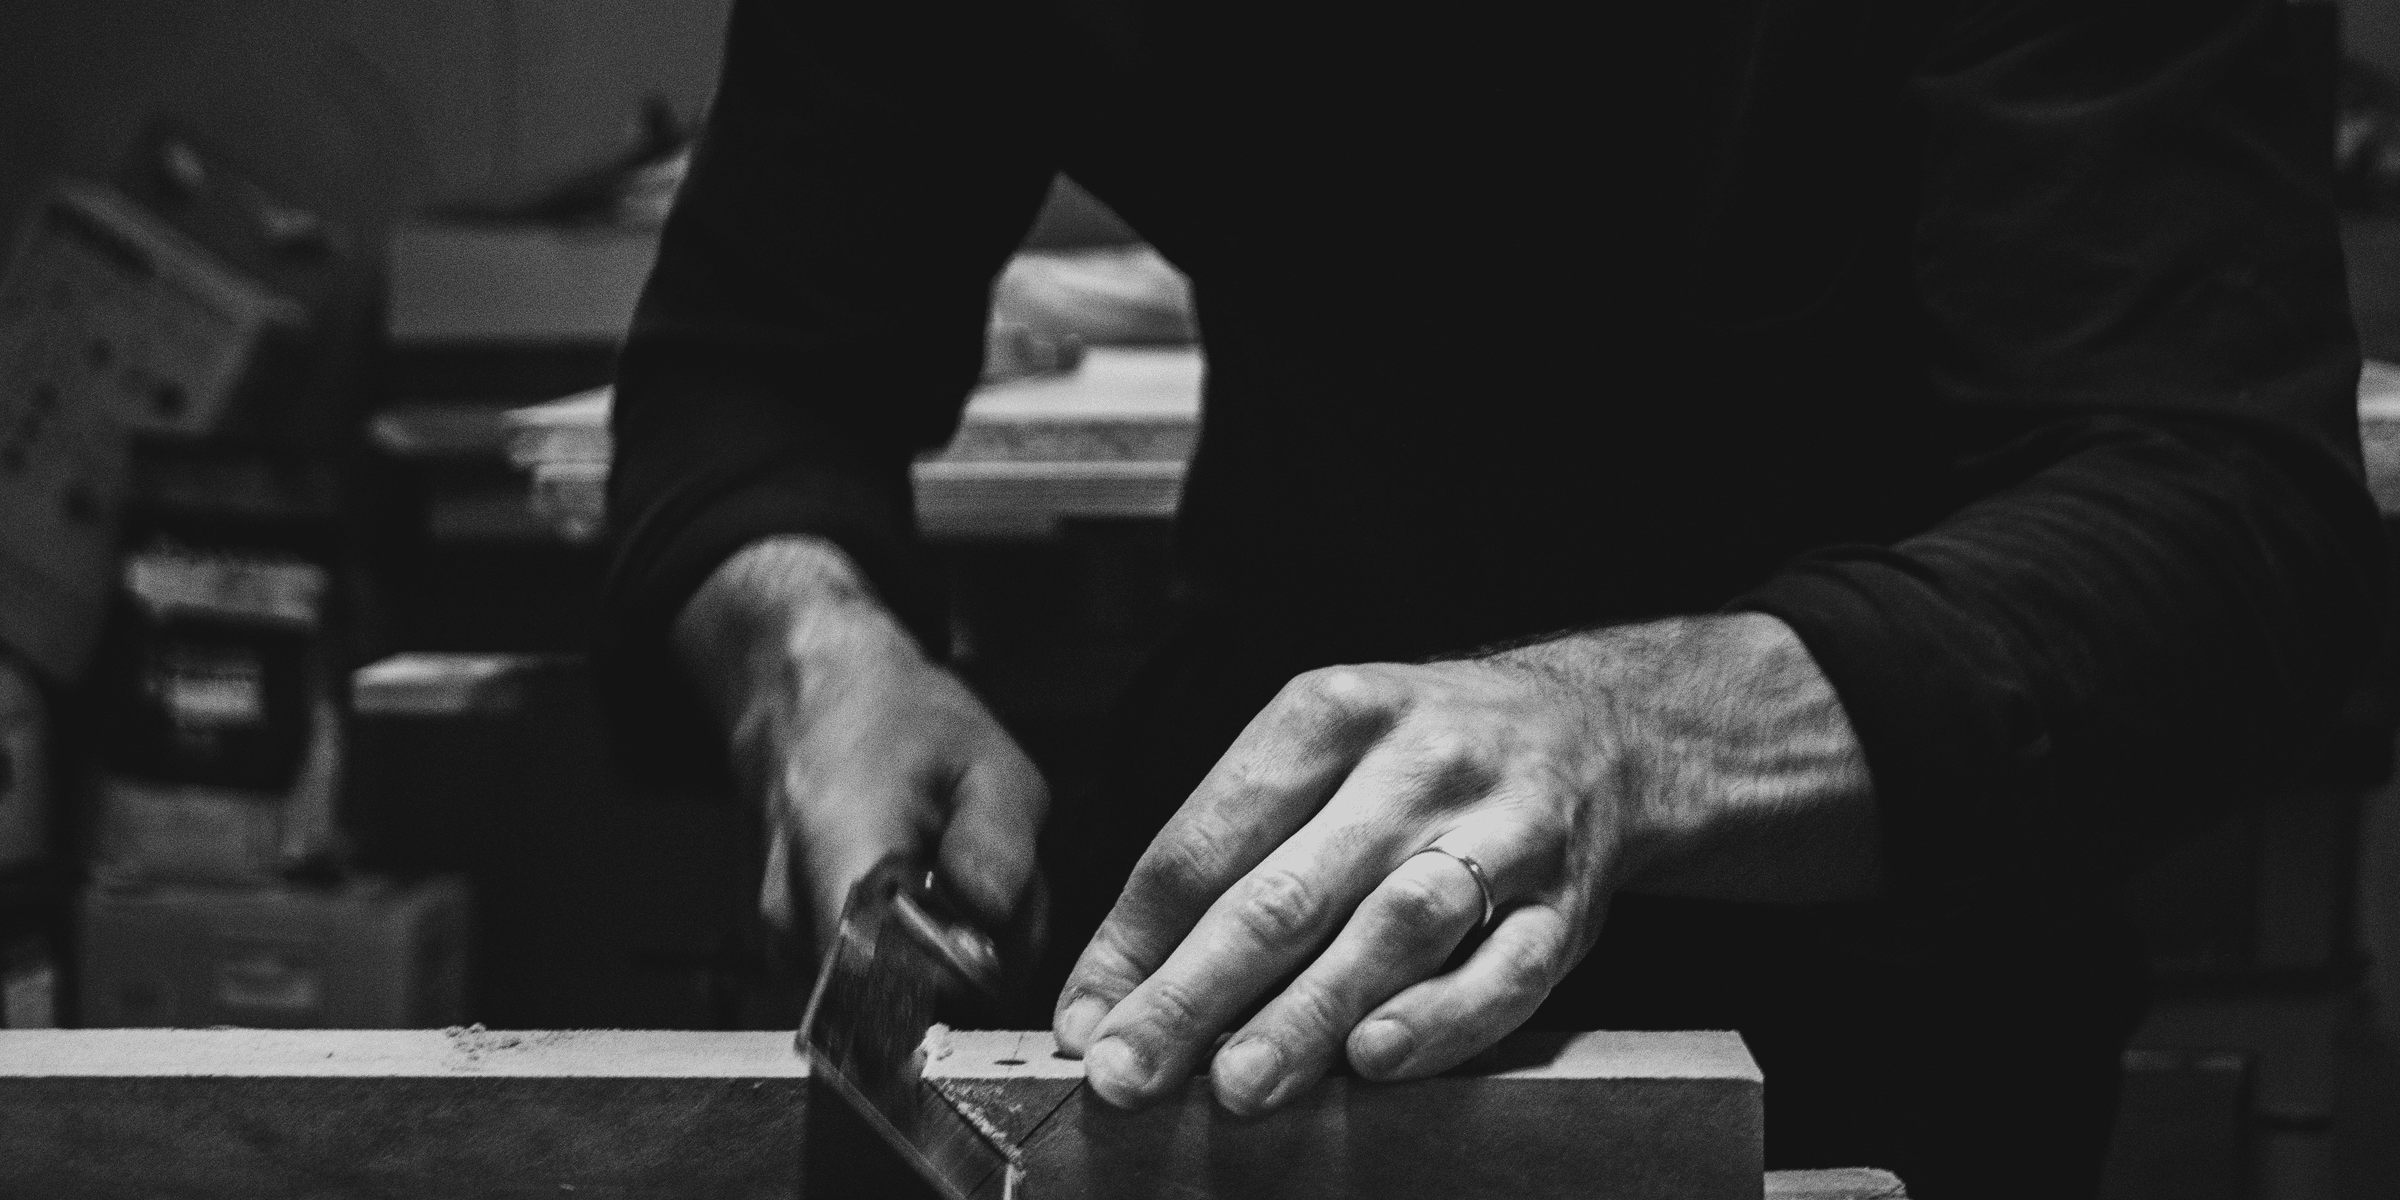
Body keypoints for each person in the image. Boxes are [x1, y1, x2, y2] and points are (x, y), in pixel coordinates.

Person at [597, 0, 2389, 1193]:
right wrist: (818, 653)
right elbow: (754, 370)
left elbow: (2224, 507)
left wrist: (1623, 735)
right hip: (1248, 936)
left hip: (1876, 966)